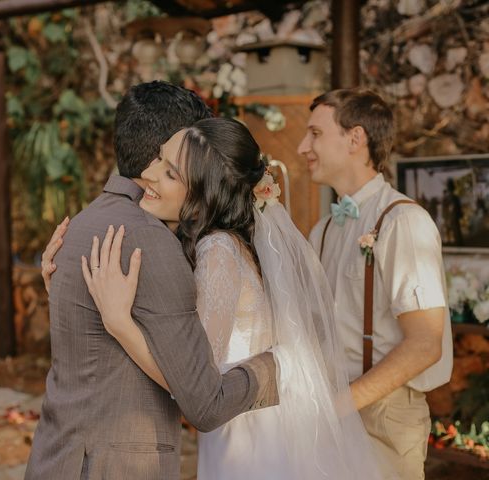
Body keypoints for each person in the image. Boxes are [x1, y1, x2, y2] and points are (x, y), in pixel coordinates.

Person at [51, 117, 386, 479]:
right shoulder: (232, 243)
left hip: (250, 445)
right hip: (251, 427)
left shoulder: (218, 252)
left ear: (203, 192)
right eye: (160, 159)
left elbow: (195, 385)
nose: (150, 173)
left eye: (170, 174)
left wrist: (119, 324)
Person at [25, 82, 279, 480]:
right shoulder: (151, 241)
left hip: (56, 457)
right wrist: (274, 368)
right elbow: (204, 401)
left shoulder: (81, 223)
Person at [298, 88, 453, 479]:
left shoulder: (403, 222)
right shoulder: (324, 229)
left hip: (384, 415)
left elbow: (424, 344)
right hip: (333, 413)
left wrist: (338, 406)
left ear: (355, 138)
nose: (303, 147)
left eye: (315, 134)